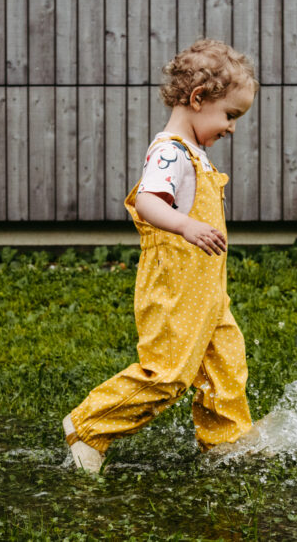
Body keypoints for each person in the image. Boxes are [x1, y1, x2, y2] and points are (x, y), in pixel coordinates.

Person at [62, 38, 259, 473]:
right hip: (176, 290)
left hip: (208, 293)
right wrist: (186, 224)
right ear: (197, 99)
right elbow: (149, 202)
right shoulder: (170, 150)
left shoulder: (196, 155)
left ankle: (229, 442)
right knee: (168, 374)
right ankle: (88, 426)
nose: (232, 128)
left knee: (225, 365)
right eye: (230, 115)